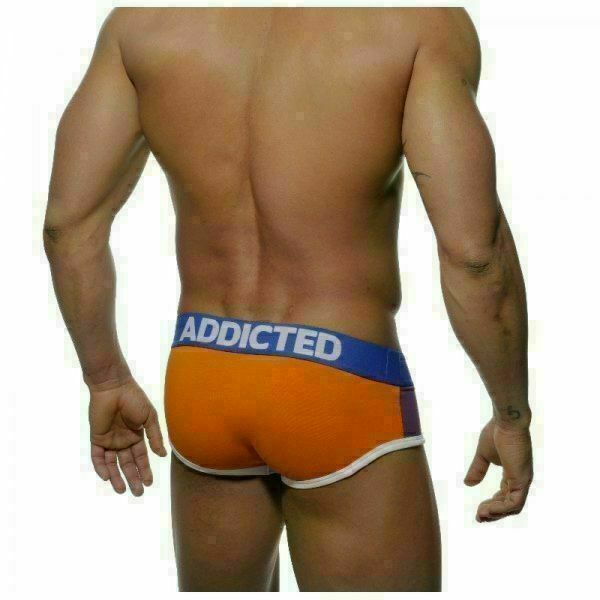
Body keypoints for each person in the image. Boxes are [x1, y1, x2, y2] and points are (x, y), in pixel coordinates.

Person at [43, 7, 533, 592]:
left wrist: (104, 379)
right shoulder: (418, 25)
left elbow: (67, 229)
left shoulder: (142, 25)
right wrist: (511, 413)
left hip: (205, 369)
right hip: (339, 379)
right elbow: (475, 254)